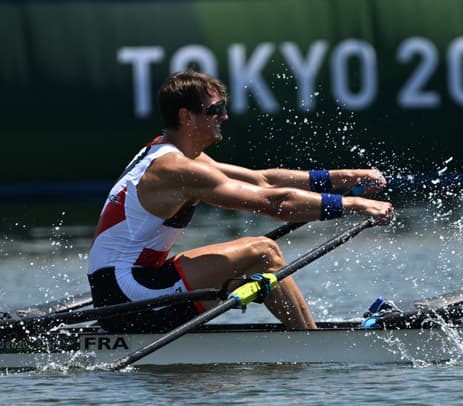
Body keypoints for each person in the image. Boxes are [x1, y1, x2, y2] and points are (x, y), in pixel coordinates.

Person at [87, 70, 394, 333]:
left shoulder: (175, 153)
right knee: (264, 252)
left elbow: (263, 181)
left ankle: (304, 337)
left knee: (254, 254)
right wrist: (355, 205)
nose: (225, 116)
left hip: (128, 286)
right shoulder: (174, 169)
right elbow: (276, 204)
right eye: (215, 109)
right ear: (186, 116)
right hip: (127, 297)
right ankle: (313, 347)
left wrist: (347, 177)